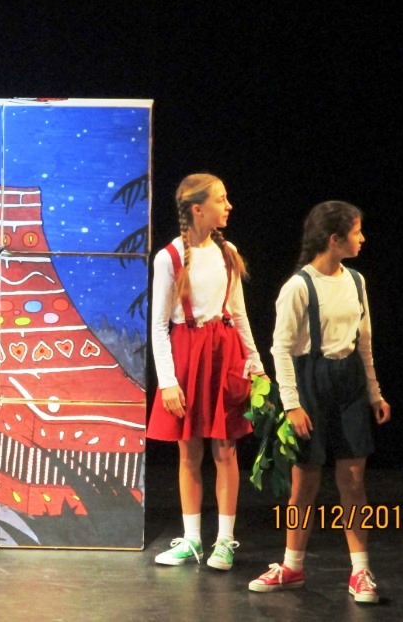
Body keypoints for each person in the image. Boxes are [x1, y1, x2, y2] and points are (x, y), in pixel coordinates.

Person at [248, 201, 389, 603]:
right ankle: (292, 566)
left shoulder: (356, 281)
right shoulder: (298, 286)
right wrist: (292, 404)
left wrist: (375, 392)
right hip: (310, 381)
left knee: (354, 480)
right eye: (356, 232)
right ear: (334, 239)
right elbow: (280, 348)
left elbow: (364, 342)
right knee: (305, 483)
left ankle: (360, 571)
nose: (362, 239)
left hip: (349, 382)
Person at [146, 173, 265, 571]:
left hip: (224, 353)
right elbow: (159, 325)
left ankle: (225, 541)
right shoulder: (169, 257)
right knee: (189, 450)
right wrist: (168, 382)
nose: (228, 206)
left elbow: (239, 313)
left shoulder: (228, 252)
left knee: (226, 449)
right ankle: (193, 540)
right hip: (187, 353)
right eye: (221, 199)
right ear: (198, 209)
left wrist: (256, 364)